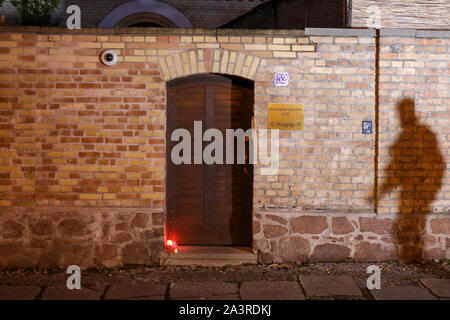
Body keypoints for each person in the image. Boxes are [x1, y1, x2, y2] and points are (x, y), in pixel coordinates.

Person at [368, 98, 444, 262]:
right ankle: (412, 257)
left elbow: (437, 164)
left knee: (408, 226)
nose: (401, 116)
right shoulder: (410, 136)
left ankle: (412, 258)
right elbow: (395, 170)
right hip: (411, 191)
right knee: (409, 225)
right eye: (400, 112)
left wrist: (429, 188)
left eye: (403, 112)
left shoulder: (421, 135)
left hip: (418, 191)